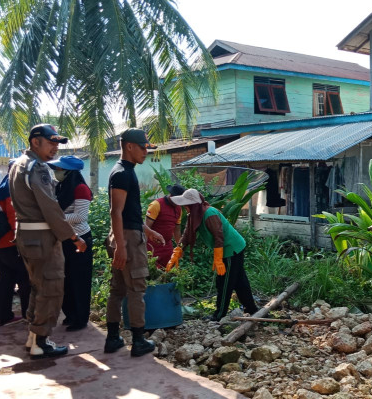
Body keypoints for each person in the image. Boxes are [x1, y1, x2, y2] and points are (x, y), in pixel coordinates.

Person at [10, 124, 87, 358]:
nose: (55, 147)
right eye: (51, 141)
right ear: (35, 142)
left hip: (27, 234)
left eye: (57, 143)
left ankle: (34, 337)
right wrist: (73, 237)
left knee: (39, 287)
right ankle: (41, 342)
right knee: (52, 288)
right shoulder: (38, 168)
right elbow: (50, 208)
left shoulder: (18, 164)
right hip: (42, 237)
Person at [104, 128, 166, 357]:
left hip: (126, 234)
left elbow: (130, 214)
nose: (145, 152)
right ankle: (138, 340)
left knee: (118, 288)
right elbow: (116, 211)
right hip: (127, 239)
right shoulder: (122, 173)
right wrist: (121, 246)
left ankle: (112, 338)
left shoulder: (124, 171)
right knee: (136, 288)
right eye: (142, 147)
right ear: (129, 146)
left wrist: (148, 230)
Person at [166, 188, 259, 322]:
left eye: (186, 204)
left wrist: (219, 259)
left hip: (231, 249)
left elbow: (218, 236)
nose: (184, 207)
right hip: (228, 249)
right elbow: (186, 234)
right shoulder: (194, 215)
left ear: (193, 205)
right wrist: (177, 251)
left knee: (224, 283)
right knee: (239, 281)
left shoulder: (209, 213)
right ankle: (251, 308)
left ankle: (219, 315)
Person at [48, 155, 93, 332]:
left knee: (79, 281)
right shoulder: (61, 187)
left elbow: (81, 217)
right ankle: (71, 314)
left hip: (80, 238)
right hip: (65, 239)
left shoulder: (81, 188)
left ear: (69, 172)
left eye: (59, 169)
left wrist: (56, 219)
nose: (56, 172)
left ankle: (80, 318)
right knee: (66, 279)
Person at [0, 160, 30, 327]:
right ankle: (28, 314)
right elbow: (14, 218)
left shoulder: (1, 187)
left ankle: (5, 316)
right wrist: (20, 240)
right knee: (25, 278)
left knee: (6, 279)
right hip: (9, 243)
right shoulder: (12, 188)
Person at [145, 184, 185, 268]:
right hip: (152, 246)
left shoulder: (178, 209)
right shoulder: (156, 205)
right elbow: (146, 228)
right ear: (171, 196)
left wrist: (179, 247)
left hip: (167, 246)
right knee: (152, 271)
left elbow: (177, 230)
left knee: (168, 270)